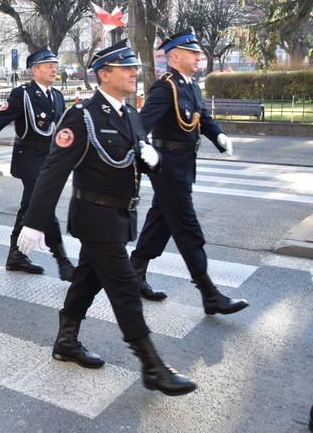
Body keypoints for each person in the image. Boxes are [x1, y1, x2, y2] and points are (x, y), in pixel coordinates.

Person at [17, 40, 196, 396]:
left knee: (88, 279)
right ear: (104, 74)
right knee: (126, 288)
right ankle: (152, 366)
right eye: (126, 68)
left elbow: (133, 161)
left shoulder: (130, 114)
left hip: (121, 216)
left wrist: (151, 158)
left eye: (134, 68)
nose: (135, 73)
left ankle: (66, 340)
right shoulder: (81, 115)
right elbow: (53, 172)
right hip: (94, 218)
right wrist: (34, 223)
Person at [130, 27, 248, 315]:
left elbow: (202, 117)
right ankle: (209, 293)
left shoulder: (191, 86)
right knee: (187, 228)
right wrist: (143, 147)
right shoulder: (165, 86)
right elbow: (140, 123)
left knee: (161, 221)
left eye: (198, 53)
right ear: (175, 56)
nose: (198, 57)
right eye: (193, 53)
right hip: (168, 169)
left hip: (184, 166)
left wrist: (218, 135)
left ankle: (135, 274)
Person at [0, 44, 74, 280]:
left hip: (49, 160)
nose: (54, 70)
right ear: (34, 70)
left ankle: (16, 256)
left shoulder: (56, 96)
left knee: (29, 207)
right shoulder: (22, 94)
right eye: (49, 66)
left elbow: (62, 131)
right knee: (43, 206)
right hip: (29, 160)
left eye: (55, 66)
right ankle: (62, 259)